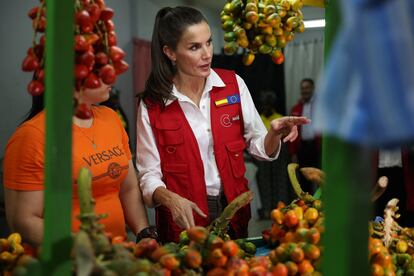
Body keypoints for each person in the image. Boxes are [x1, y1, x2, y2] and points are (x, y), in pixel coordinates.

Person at [136, 6, 310, 243]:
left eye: (208, 42)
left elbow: (260, 147)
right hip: (184, 218)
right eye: (194, 47)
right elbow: (148, 174)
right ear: (170, 52)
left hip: (234, 209)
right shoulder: (153, 105)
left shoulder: (232, 85)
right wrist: (169, 198)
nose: (207, 53)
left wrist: (273, 134)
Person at [3, 82, 154, 247]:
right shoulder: (32, 136)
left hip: (116, 255)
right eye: (100, 73)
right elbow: (24, 221)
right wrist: (84, 248)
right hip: (64, 261)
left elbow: (129, 189)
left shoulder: (111, 118)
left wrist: (144, 233)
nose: (111, 80)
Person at [256, 91, 293, 219]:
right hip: (263, 151)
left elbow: (287, 135)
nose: (266, 107)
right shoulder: (258, 119)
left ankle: (281, 208)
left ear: (273, 105)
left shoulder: (280, 118)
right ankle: (267, 209)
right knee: (264, 180)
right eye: (264, 105)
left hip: (280, 151)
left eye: (269, 105)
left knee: (280, 179)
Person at [289, 78, 321, 193]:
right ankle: (308, 208)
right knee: (304, 181)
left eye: (307, 87)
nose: (305, 90)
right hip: (302, 149)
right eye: (302, 88)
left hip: (317, 148)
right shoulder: (296, 109)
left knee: (320, 179)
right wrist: (293, 153)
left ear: (312, 88)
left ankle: (322, 207)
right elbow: (292, 131)